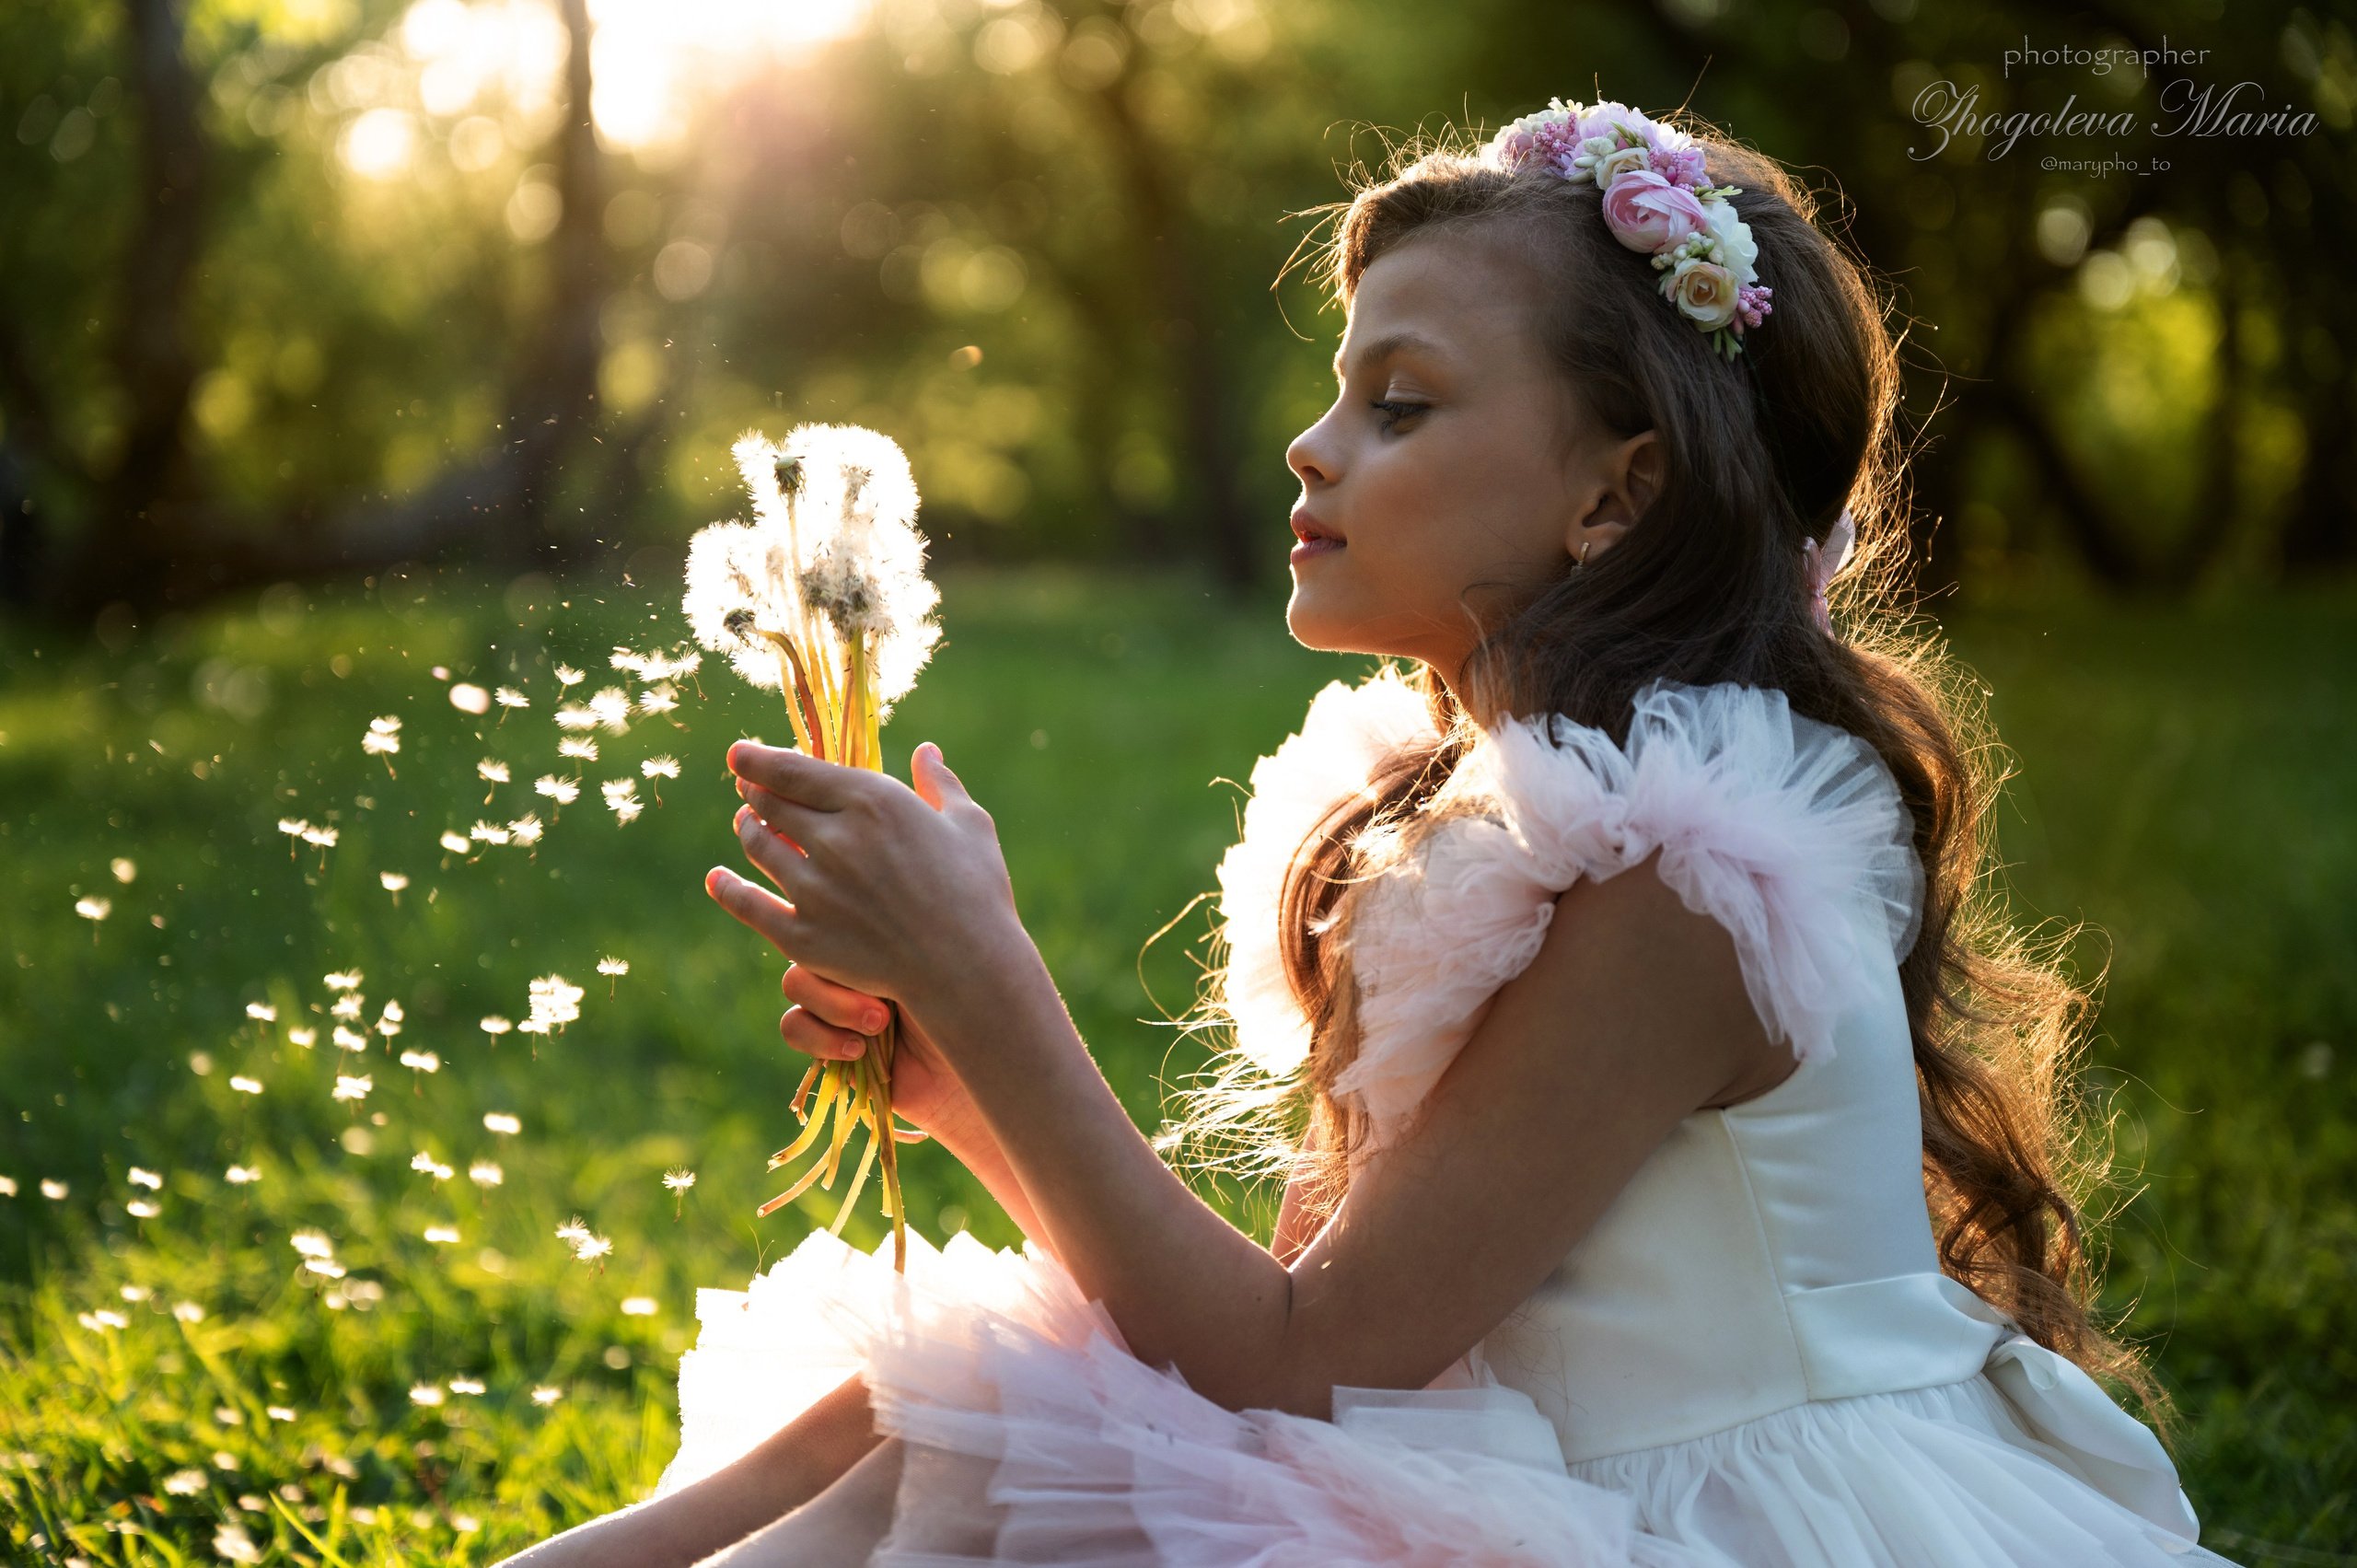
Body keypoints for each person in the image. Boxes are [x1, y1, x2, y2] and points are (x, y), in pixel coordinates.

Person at [503, 99, 2231, 1568]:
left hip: (1689, 1515)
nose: (1312, 447)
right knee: (890, 1413)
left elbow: (1304, 1359)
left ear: (1613, 495)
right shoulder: (1479, 814)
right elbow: (1287, 1306)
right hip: (1479, 1452)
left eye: (1399, 404)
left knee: (957, 1478)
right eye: (1340, 391)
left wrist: (995, 974)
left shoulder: (1683, 878)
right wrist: (962, 1072)